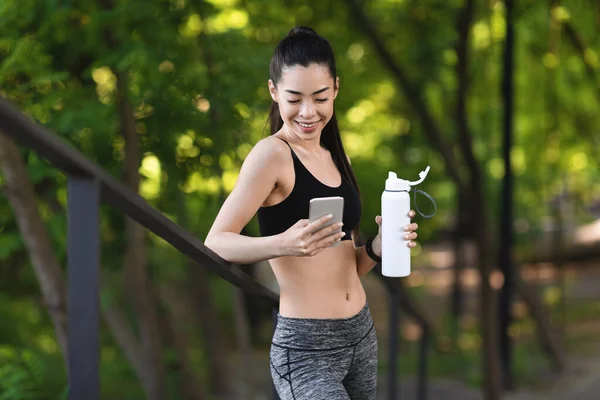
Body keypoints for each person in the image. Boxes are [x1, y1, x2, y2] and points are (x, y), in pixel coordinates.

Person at [205, 26, 419, 400]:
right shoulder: (271, 155)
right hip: (306, 348)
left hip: (361, 336)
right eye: (294, 98)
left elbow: (345, 263)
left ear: (335, 88)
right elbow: (216, 241)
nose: (308, 112)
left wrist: (377, 248)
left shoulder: (339, 159)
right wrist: (283, 243)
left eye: (320, 97)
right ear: (274, 92)